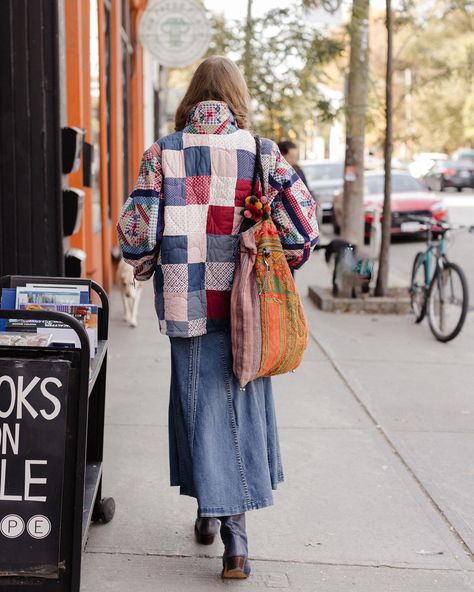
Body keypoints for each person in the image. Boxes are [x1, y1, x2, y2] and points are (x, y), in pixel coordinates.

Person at [117, 56, 319, 580]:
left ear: (191, 96)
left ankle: (221, 526)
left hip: (188, 303)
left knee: (195, 408)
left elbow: (136, 234)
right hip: (246, 302)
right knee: (240, 410)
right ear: (236, 96)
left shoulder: (163, 153)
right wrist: (280, 262)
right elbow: (302, 227)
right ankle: (230, 536)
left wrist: (148, 265)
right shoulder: (261, 152)